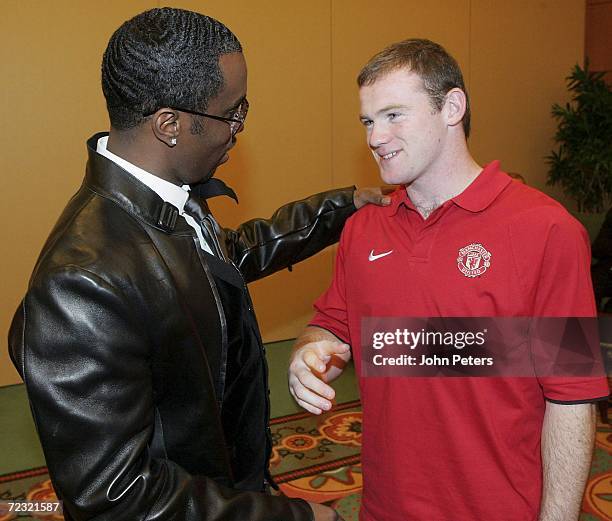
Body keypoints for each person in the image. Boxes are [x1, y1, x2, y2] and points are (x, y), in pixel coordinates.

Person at [8, 8, 389, 521]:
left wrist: (342, 206)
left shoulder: (160, 198)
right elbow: (117, 496)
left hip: (227, 484)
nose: (237, 130)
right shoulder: (81, 284)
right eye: (232, 113)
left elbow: (221, 258)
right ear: (170, 124)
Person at [288, 39, 609, 521]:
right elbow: (334, 328)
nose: (376, 136)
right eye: (368, 121)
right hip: (383, 507)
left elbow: (571, 397)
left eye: (394, 115)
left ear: (452, 107)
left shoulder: (547, 230)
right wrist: (309, 354)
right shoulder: (363, 229)